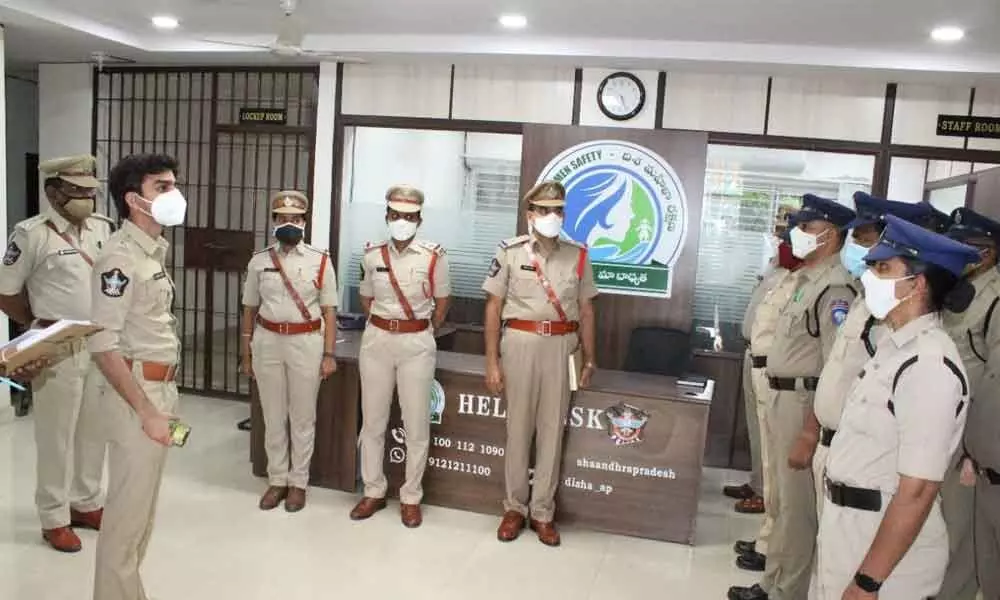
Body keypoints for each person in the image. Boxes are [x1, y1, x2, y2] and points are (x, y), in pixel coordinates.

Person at [814, 214, 979, 600]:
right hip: (847, 526)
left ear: (917, 284)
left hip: (885, 554)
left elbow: (919, 488)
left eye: (883, 268)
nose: (869, 276)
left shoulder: (928, 366)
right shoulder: (891, 348)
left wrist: (869, 581)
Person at [730, 194, 857, 600]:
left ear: (831, 235)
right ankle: (773, 581)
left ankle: (788, 591)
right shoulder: (804, 279)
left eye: (807, 227)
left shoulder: (836, 287)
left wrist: (810, 428)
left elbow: (834, 366)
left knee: (798, 509)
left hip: (805, 403)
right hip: (783, 395)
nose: (797, 234)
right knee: (783, 500)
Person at [795, 194, 935, 518]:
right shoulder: (865, 298)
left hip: (867, 463)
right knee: (827, 553)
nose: (863, 251)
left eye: (869, 241)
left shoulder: (902, 322)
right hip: (835, 448)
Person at [0, 155, 113, 553]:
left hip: (98, 342)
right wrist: (38, 326)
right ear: (53, 192)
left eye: (90, 191)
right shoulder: (31, 234)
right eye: (76, 191)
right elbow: (6, 292)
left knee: (93, 431)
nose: (85, 198)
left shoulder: (103, 229)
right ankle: (54, 517)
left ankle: (86, 502)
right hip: (56, 345)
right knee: (57, 436)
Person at [88, 153, 184, 600]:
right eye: (161, 187)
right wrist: (146, 410)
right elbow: (104, 346)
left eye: (173, 184)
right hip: (137, 397)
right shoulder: (119, 258)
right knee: (126, 520)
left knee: (141, 516)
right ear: (133, 200)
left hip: (159, 390)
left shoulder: (153, 250)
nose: (174, 193)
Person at [482, 181, 598, 547]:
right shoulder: (509, 252)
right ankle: (514, 508)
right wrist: (491, 361)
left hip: (562, 347)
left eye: (558, 211)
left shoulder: (578, 254)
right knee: (518, 429)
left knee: (552, 431)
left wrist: (590, 358)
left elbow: (588, 309)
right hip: (519, 344)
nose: (553, 217)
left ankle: (542, 512)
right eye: (545, 210)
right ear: (530, 214)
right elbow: (493, 307)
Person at [350, 185, 451, 528]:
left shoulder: (434, 255)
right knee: (373, 421)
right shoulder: (371, 255)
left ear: (419, 219)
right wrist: (386, 322)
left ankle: (410, 497)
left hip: (416, 343)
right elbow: (365, 298)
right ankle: (374, 491)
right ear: (387, 217)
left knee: (416, 424)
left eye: (409, 217)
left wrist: (419, 327)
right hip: (377, 340)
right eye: (396, 216)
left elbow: (442, 302)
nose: (402, 222)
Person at [241, 191, 338, 513]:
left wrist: (328, 355)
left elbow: (329, 311)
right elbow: (249, 309)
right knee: (272, 415)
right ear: (273, 222)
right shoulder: (259, 261)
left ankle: (299, 483)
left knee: (302, 416)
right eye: (282, 219)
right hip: (267, 340)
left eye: (295, 219)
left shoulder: (321, 261)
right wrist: (246, 352)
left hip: (305, 343)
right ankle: (277, 479)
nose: (289, 224)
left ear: (305, 222)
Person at [733, 214, 804, 574]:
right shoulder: (781, 274)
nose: (780, 242)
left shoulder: (812, 284)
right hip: (760, 364)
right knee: (767, 459)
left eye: (787, 235)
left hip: (782, 378)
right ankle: (768, 538)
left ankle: (772, 546)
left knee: (779, 470)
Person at [938, 207, 1000, 600]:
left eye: (967, 246)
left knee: (960, 534)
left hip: (970, 438)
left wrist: (974, 448)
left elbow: (992, 381)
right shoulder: (957, 290)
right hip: (944, 427)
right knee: (943, 527)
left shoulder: (994, 299)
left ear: (988, 253)